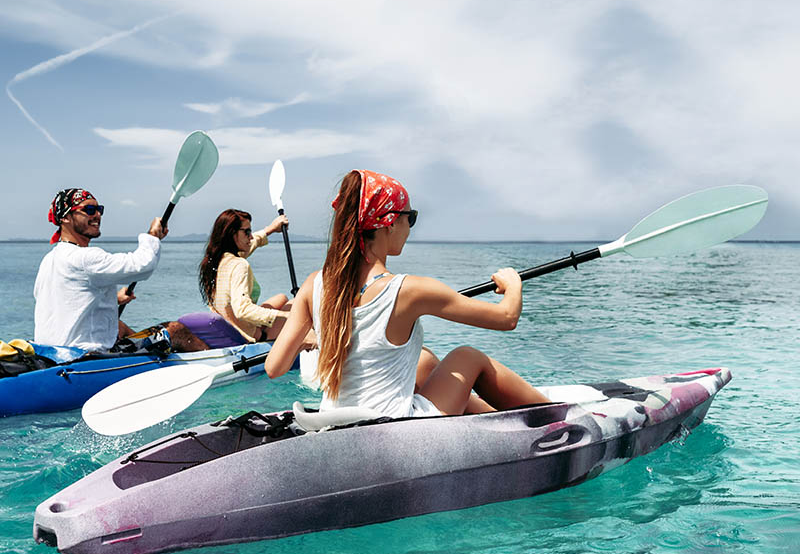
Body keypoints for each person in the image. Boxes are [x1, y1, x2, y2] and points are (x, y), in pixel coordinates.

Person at [265, 170, 550, 418]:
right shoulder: (409, 290)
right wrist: (513, 284)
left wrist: (324, 332)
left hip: (335, 420)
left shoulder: (314, 285)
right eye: (409, 217)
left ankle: (489, 417)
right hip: (396, 427)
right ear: (389, 223)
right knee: (467, 356)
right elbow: (506, 317)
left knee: (424, 362)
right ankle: (555, 415)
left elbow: (274, 367)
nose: (410, 227)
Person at [34, 188, 207, 353]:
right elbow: (142, 265)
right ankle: (219, 361)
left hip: (53, 353)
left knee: (119, 326)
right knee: (176, 329)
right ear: (65, 218)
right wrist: (153, 235)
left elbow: (69, 301)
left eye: (99, 209)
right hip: (85, 356)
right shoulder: (85, 258)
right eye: (89, 209)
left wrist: (114, 299)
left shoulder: (49, 260)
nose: (97, 215)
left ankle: (154, 357)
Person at [198, 209, 292, 343]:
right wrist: (288, 316)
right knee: (296, 305)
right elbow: (242, 309)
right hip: (250, 336)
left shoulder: (216, 260)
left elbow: (252, 244)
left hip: (231, 327)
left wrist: (270, 229)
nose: (251, 236)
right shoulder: (239, 265)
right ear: (231, 234)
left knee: (281, 298)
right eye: (247, 232)